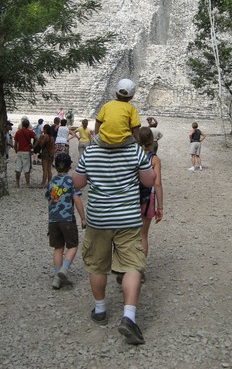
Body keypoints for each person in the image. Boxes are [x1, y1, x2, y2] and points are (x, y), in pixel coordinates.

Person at [72, 139, 156, 345]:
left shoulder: (91, 151)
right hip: (127, 218)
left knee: (97, 265)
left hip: (98, 219)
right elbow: (149, 181)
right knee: (132, 265)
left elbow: (78, 182)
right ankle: (129, 317)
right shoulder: (135, 150)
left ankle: (100, 310)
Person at [45, 153, 86, 290]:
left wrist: (50, 219)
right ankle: (64, 269)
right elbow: (77, 200)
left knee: (58, 248)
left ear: (55, 166)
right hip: (67, 219)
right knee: (73, 245)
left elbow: (51, 201)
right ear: (69, 166)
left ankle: (57, 278)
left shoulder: (51, 182)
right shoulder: (71, 181)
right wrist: (83, 218)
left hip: (53, 220)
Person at [138, 127, 164, 277]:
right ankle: (139, 270)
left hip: (130, 198)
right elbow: (158, 183)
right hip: (148, 199)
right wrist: (160, 206)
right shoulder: (154, 159)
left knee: (127, 235)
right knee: (143, 236)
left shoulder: (132, 156)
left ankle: (125, 267)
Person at [94, 78, 141, 148]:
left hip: (103, 141)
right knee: (134, 143)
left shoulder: (106, 105)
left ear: (116, 93)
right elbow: (135, 128)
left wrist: (96, 135)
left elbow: (98, 122)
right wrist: (138, 140)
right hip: (123, 141)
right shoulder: (131, 108)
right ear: (131, 97)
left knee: (92, 141)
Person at [14, 118, 37, 188]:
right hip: (27, 151)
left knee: (18, 168)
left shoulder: (18, 132)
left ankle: (17, 183)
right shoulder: (30, 132)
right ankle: (27, 183)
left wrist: (16, 150)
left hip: (19, 151)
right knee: (27, 168)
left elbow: (15, 143)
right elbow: (37, 139)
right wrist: (33, 146)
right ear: (28, 125)